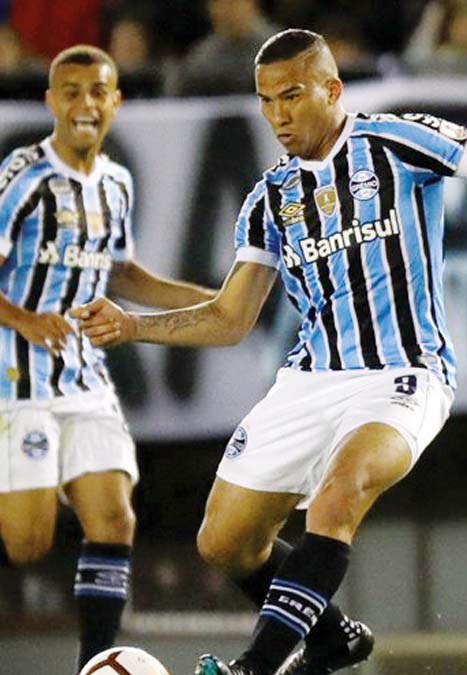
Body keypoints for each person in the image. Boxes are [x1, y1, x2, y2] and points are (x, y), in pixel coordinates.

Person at [72, 29, 467, 675]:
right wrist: (133, 326)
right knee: (224, 543)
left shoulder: (394, 141)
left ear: (332, 89)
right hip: (310, 379)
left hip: (404, 373)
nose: (277, 115)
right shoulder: (270, 198)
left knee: (339, 496)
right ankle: (334, 638)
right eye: (266, 101)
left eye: (292, 96)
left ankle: (256, 667)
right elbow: (229, 318)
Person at [0, 45, 217, 673]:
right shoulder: (23, 177)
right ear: (51, 102)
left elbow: (121, 273)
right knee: (28, 543)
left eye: (97, 91)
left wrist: (216, 301)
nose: (85, 104)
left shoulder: (117, 183)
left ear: (115, 101)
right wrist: (25, 318)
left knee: (114, 518)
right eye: (70, 92)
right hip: (18, 379)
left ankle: (93, 664)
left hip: (85, 378)